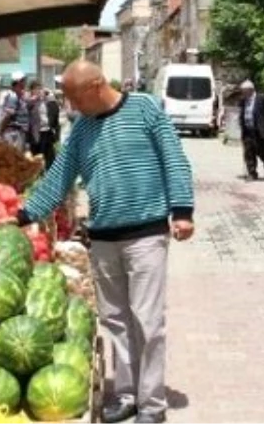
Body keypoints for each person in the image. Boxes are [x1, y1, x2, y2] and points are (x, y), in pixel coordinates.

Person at [11, 60, 194, 424]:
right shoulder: (81, 129)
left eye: (75, 98)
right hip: (104, 237)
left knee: (148, 321)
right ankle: (126, 395)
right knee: (115, 320)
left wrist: (183, 209)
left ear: (96, 86)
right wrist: (24, 215)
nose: (71, 106)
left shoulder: (145, 108)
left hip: (146, 234)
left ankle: (153, 405)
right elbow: (59, 176)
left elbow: (174, 159)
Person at [238, 80, 264, 181]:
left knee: (261, 152)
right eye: (242, 91)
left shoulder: (262, 98)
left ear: (251, 90)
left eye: (244, 91)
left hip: (259, 130)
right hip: (247, 130)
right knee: (248, 153)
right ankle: (252, 173)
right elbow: (242, 113)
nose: (243, 93)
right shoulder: (243, 100)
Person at [0, 73, 31, 151]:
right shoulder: (13, 97)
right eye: (22, 82)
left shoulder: (20, 97)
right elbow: (8, 115)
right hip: (13, 133)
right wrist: (0, 130)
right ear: (17, 83)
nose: (24, 84)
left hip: (19, 132)